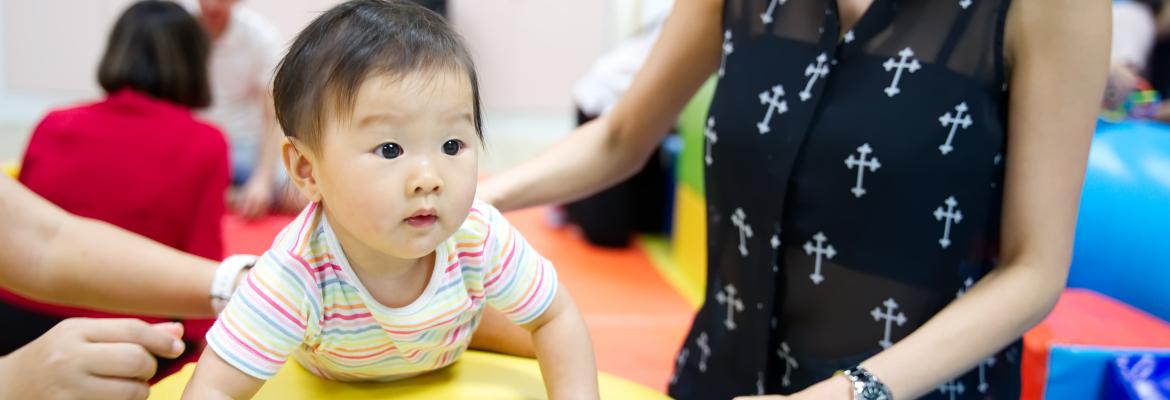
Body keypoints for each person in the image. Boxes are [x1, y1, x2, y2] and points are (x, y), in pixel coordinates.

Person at [478, 0, 1109, 398]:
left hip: (911, 389)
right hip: (717, 378)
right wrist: (475, 198)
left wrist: (853, 392)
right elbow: (620, 136)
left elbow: (1034, 269)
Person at [180, 2, 598, 399]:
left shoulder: (478, 235)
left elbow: (555, 316)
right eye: (390, 150)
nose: (428, 179)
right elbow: (214, 386)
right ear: (307, 169)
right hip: (335, 372)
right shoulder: (295, 273)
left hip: (449, 345)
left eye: (452, 145)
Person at [0, 0, 226, 378]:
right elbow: (202, 255)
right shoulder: (204, 143)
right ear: (195, 61)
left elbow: (28, 232)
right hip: (128, 337)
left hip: (13, 322)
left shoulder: (55, 122)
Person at [190, 0, 300, 219]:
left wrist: (263, 179)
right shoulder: (180, 30)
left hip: (245, 149)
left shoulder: (260, 36)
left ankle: (229, 196)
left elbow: (273, 114)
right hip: (196, 148)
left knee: (299, 196)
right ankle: (230, 196)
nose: (212, 6)